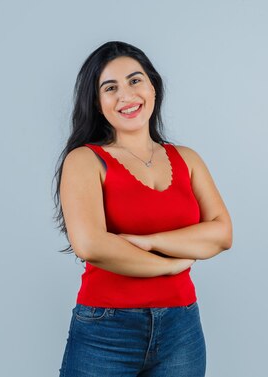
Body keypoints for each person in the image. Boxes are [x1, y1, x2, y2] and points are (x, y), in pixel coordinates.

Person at [52, 41, 233, 376]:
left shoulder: (187, 159)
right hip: (106, 329)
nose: (126, 95)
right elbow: (91, 245)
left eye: (135, 80)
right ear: (97, 101)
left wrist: (149, 241)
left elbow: (221, 233)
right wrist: (172, 265)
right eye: (110, 87)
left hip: (182, 327)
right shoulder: (85, 160)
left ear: (152, 85)